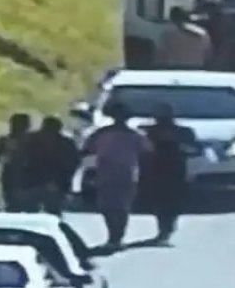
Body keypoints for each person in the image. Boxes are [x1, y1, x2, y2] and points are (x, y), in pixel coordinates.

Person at [84, 101, 151, 250]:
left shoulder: (135, 135)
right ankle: (114, 235)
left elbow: (147, 153)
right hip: (109, 172)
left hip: (124, 173)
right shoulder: (103, 133)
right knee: (109, 206)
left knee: (120, 206)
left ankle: (117, 237)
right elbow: (89, 148)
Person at [142, 105, 198, 244]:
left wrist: (183, 148)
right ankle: (163, 229)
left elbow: (195, 148)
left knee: (173, 201)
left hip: (176, 169)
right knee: (160, 201)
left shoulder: (183, 132)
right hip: (157, 169)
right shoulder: (151, 132)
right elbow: (145, 150)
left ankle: (168, 228)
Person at [25, 116, 81, 216]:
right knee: (51, 213)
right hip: (50, 183)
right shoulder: (66, 143)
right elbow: (74, 163)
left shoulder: (29, 139)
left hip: (34, 182)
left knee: (31, 213)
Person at [0, 113, 34, 211]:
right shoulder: (5, 140)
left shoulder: (34, 141)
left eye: (20, 125)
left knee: (27, 205)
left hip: (28, 177)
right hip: (11, 176)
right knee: (13, 203)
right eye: (14, 124)